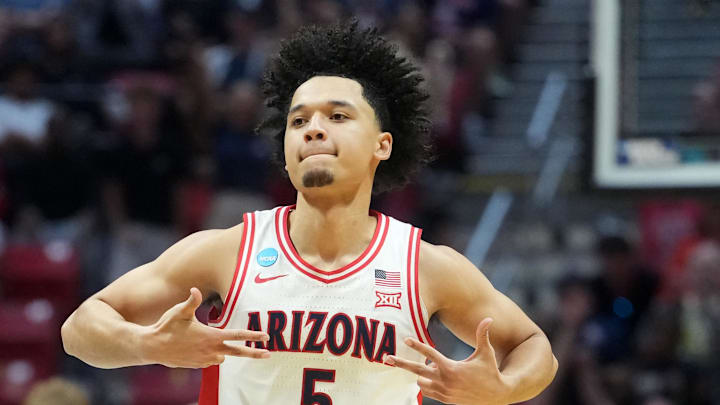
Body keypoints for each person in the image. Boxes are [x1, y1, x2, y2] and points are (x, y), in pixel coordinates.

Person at [61, 21, 557, 404]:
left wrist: (502, 389)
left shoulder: (426, 267)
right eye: (299, 120)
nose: (312, 129)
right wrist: (147, 344)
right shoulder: (228, 252)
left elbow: (534, 346)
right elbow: (80, 329)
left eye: (338, 116)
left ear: (382, 144)